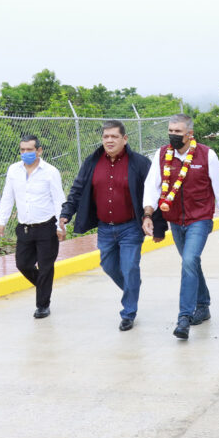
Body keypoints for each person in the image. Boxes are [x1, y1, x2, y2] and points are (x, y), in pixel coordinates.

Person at [60, 120, 166, 331]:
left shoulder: (139, 163)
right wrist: (66, 214)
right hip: (105, 228)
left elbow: (154, 193)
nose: (109, 140)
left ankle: (128, 312)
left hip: (130, 228)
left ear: (124, 139)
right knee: (108, 266)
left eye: (114, 136)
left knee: (130, 267)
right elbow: (78, 189)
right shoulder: (92, 162)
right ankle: (132, 286)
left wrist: (159, 226)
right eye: (106, 136)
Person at [143, 113, 219, 340]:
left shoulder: (206, 154)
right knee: (191, 262)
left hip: (200, 218)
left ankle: (184, 317)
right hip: (175, 220)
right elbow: (152, 186)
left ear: (190, 134)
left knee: (189, 260)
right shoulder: (161, 155)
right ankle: (203, 305)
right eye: (170, 131)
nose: (173, 135)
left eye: (178, 132)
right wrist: (148, 214)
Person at [0, 135, 66, 318]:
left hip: (46, 228)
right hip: (25, 228)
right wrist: (1, 220)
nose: (25, 153)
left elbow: (59, 200)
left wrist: (61, 224)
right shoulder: (13, 171)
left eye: (29, 149)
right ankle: (44, 286)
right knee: (23, 264)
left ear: (39, 150)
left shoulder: (50, 172)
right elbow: (7, 196)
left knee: (45, 267)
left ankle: (42, 305)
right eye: (22, 150)